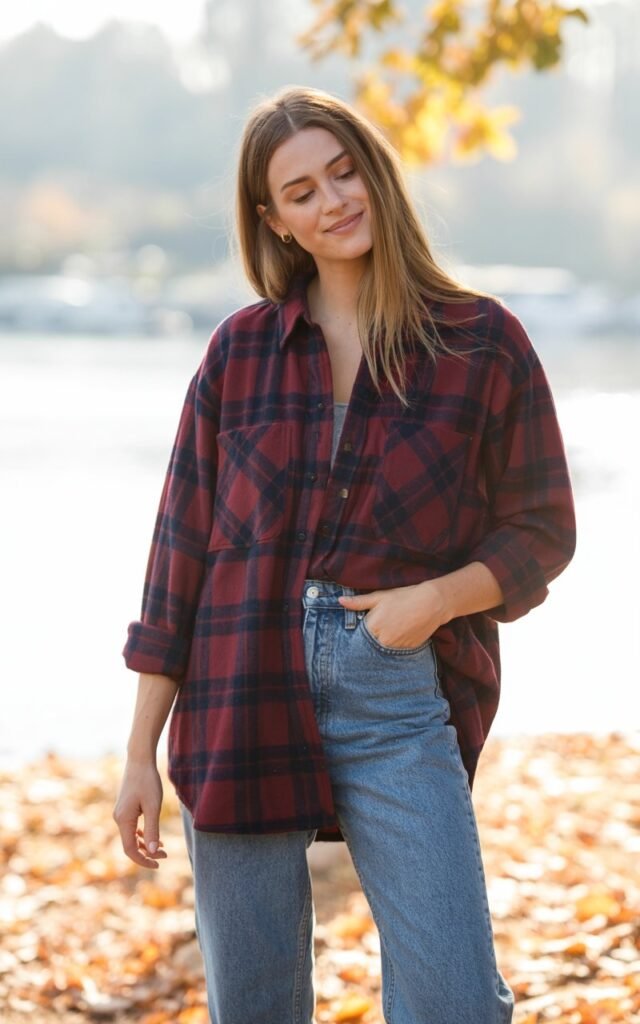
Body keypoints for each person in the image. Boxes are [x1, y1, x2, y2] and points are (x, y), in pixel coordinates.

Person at [113, 85, 576, 1024]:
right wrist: (136, 753)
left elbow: (543, 529)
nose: (333, 201)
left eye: (343, 171)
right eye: (301, 191)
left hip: (397, 695)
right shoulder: (239, 353)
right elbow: (179, 557)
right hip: (237, 689)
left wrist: (434, 602)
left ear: (376, 172)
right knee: (255, 1008)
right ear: (273, 221)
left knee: (455, 1001)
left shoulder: (481, 342)